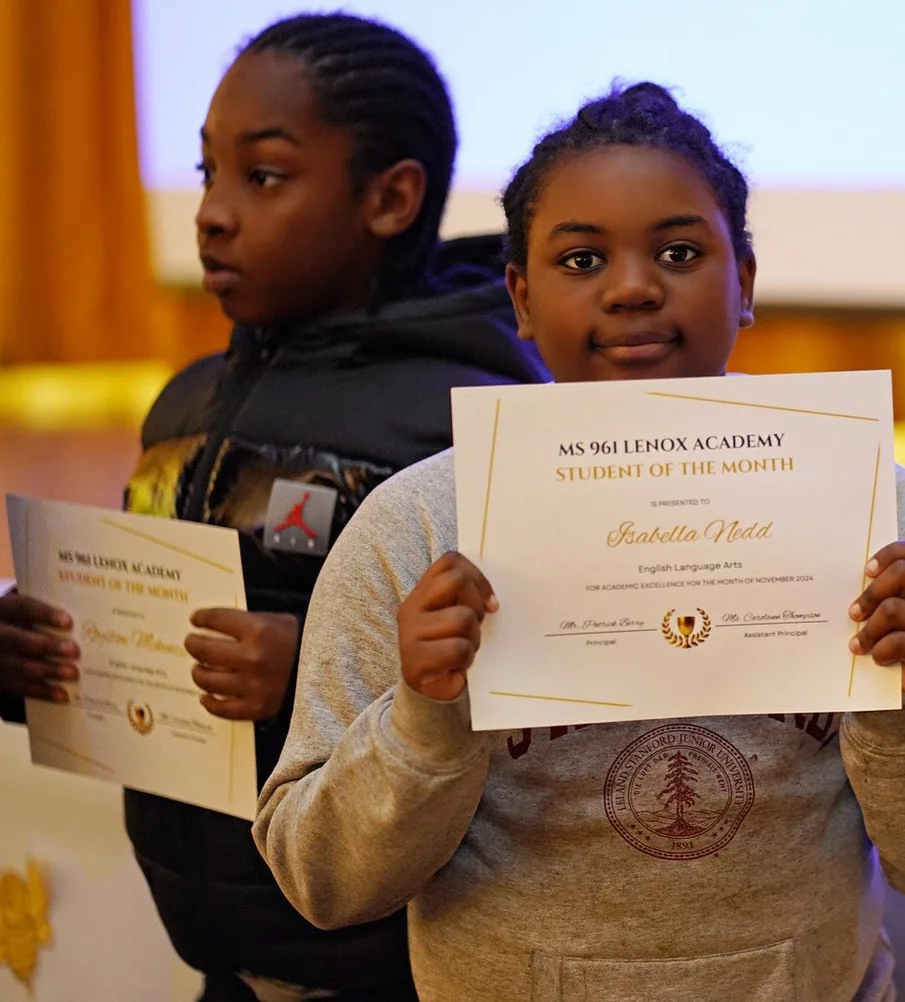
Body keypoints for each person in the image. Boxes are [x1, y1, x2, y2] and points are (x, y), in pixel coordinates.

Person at [254, 82, 905, 1001]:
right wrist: (425, 716)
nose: (632, 288)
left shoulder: (881, 514)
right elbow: (322, 882)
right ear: (519, 296)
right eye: (582, 259)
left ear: (743, 280)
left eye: (678, 251)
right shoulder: (417, 531)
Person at [0, 13, 544, 1001]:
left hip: (398, 968)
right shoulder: (186, 400)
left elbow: (543, 708)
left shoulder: (473, 423)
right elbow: (146, 653)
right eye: (207, 174)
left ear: (390, 198)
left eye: (263, 177)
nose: (211, 212)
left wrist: (315, 669)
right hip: (222, 955)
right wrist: (35, 663)